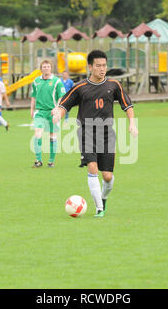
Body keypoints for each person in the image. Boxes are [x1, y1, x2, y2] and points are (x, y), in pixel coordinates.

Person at [53, 50, 138, 218]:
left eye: (104, 65)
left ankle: (103, 198)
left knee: (107, 176)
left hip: (107, 135)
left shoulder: (114, 85)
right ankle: (99, 208)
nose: (102, 69)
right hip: (86, 132)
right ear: (90, 67)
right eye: (98, 66)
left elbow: (127, 105)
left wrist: (132, 124)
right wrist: (58, 115)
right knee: (92, 167)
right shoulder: (80, 87)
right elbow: (64, 105)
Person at [31, 60, 66, 168]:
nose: (46, 68)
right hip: (40, 112)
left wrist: (57, 108)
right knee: (37, 134)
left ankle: (51, 161)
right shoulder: (36, 81)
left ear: (51, 68)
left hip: (52, 113)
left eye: (48, 66)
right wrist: (31, 109)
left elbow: (61, 96)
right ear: (41, 69)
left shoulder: (57, 81)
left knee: (52, 137)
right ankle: (38, 160)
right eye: (44, 66)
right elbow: (33, 96)